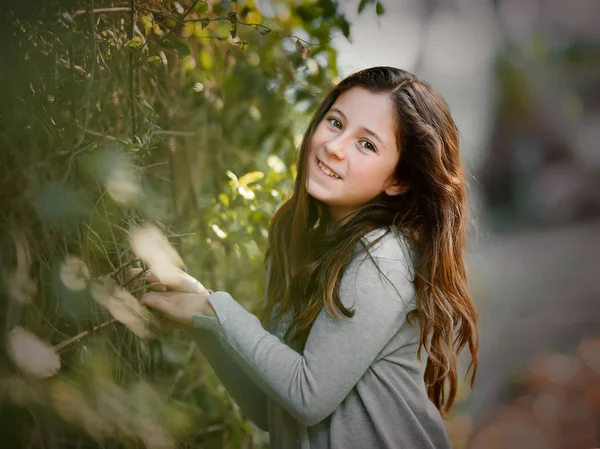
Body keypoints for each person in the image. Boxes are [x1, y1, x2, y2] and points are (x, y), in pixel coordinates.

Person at [141, 66, 479, 449]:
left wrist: (215, 309)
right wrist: (202, 320)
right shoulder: (304, 243)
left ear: (398, 180)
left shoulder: (384, 257)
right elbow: (268, 407)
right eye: (335, 123)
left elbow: (307, 396)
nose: (335, 146)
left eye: (366, 144)